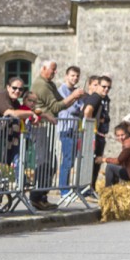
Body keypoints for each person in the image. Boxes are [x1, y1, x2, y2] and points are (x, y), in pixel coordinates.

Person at [55, 65, 85, 196]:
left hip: (74, 128)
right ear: (66, 76)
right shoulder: (61, 90)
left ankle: (66, 187)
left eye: (77, 76)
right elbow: (71, 108)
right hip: (65, 128)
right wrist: (78, 103)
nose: (75, 78)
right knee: (67, 159)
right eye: (72, 75)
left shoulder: (76, 91)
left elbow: (81, 107)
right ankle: (63, 189)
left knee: (72, 160)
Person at [81, 74, 112, 194]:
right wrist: (91, 129)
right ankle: (86, 190)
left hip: (99, 135)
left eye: (108, 87)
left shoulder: (104, 99)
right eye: (104, 86)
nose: (106, 89)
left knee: (96, 163)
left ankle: (91, 188)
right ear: (98, 85)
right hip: (93, 136)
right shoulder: (96, 97)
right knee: (90, 163)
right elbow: (87, 111)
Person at [97, 122, 130, 187]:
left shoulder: (128, 144)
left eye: (122, 135)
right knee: (117, 167)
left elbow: (118, 161)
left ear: (127, 134)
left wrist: (104, 159)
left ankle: (108, 190)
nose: (120, 138)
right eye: (118, 136)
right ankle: (115, 188)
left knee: (110, 167)